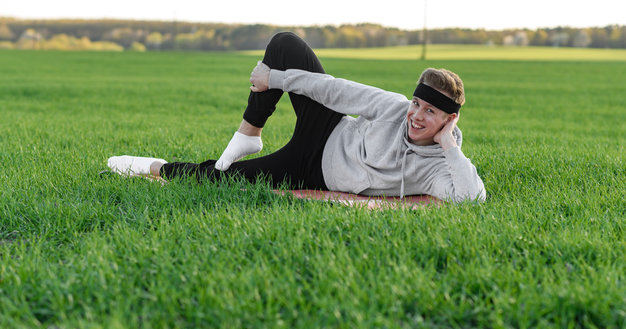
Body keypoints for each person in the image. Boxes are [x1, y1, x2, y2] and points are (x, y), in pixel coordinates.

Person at [108, 32, 486, 203]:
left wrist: (449, 147)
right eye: (417, 104)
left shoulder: (441, 166)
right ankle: (250, 130)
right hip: (329, 129)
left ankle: (155, 167)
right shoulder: (394, 107)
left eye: (430, 111)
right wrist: (276, 79)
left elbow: (471, 199)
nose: (416, 115)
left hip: (315, 171)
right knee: (285, 44)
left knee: (221, 180)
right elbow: (338, 90)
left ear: (449, 120)